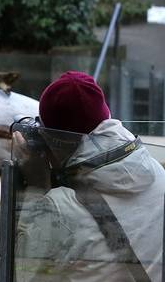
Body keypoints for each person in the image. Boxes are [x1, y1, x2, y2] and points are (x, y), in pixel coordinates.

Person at [14, 71, 165, 282]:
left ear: (53, 140)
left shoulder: (59, 208)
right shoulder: (158, 174)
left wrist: (37, 188)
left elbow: (22, 276)